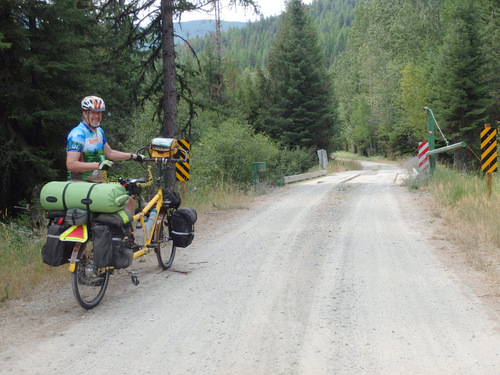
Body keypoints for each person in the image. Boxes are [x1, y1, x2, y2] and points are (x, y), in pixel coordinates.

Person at [66, 95, 143, 213]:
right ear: (84, 113)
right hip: (81, 185)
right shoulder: (78, 134)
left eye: (99, 113)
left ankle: (126, 231)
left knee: (129, 200)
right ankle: (127, 231)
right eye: (93, 113)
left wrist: (133, 156)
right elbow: (71, 164)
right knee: (127, 202)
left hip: (97, 184)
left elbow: (110, 153)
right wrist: (98, 165)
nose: (97, 116)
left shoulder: (99, 131)